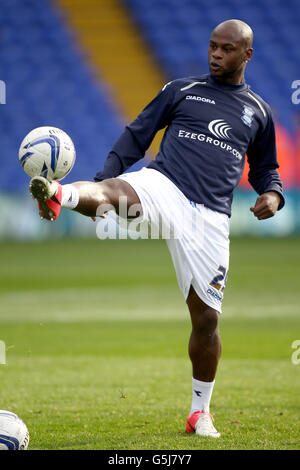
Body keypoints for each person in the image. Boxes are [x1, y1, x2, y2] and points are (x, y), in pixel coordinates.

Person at [29, 19, 284, 438]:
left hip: (210, 220)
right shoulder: (181, 90)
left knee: (206, 322)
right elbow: (135, 136)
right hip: (164, 186)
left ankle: (199, 412)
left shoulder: (258, 112)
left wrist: (273, 195)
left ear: (246, 55)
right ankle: (61, 194)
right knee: (113, 195)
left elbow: (267, 169)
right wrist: (98, 179)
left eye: (226, 49)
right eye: (212, 46)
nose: (216, 54)